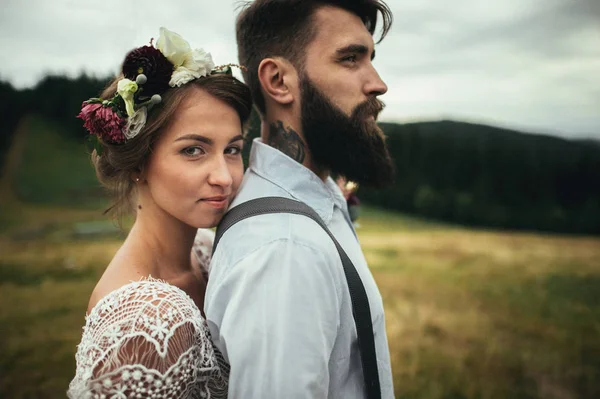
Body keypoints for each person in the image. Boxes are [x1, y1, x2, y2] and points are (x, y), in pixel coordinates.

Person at [205, 0, 396, 397]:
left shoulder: (315, 199)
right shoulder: (283, 249)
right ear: (278, 80)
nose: (377, 83)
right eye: (350, 59)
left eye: (371, 58)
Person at [67, 27, 252, 398]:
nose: (224, 177)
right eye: (193, 150)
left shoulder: (205, 251)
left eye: (232, 149)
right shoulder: (144, 321)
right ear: (139, 163)